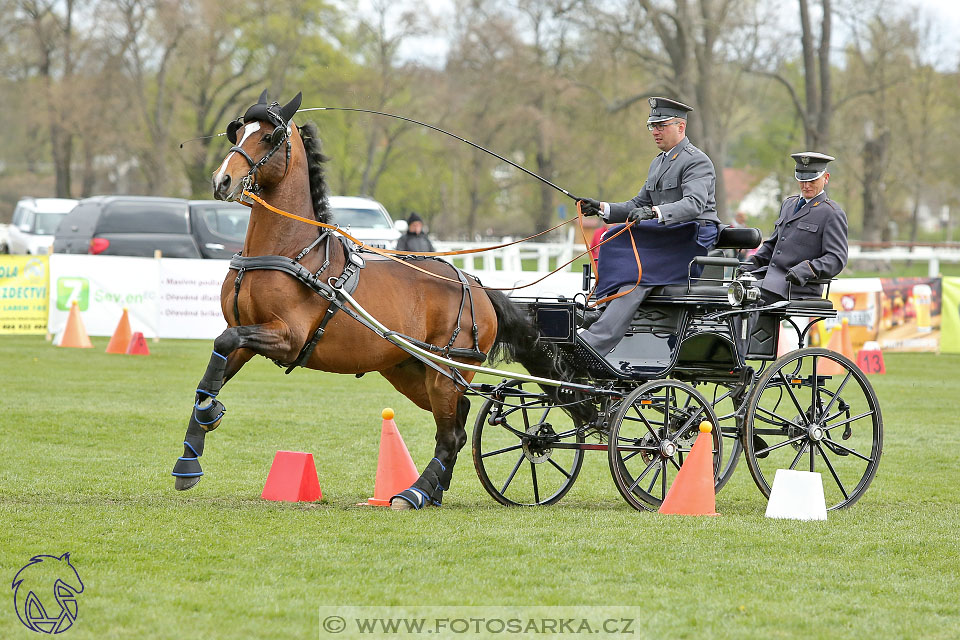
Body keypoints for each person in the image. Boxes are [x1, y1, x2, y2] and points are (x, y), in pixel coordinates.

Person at [575, 96, 720, 358]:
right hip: (665, 237)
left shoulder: (697, 161)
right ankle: (600, 307)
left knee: (637, 279)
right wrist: (602, 208)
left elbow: (694, 205)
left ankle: (595, 343)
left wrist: (655, 212)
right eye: (652, 126)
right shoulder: (659, 162)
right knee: (612, 236)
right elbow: (637, 203)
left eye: (661, 125)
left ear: (681, 127)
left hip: (690, 237)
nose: (655, 131)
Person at [742, 152, 848, 302]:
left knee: (748, 297)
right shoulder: (788, 204)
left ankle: (750, 326)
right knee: (725, 293)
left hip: (799, 285)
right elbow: (773, 245)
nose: (806, 186)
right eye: (802, 180)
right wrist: (750, 264)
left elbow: (836, 258)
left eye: (812, 180)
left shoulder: (831, 213)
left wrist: (808, 269)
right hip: (769, 278)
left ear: (826, 178)